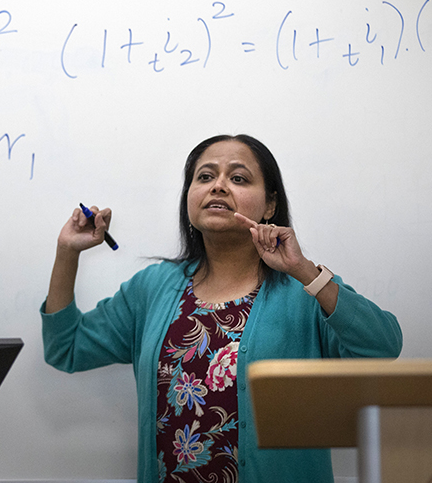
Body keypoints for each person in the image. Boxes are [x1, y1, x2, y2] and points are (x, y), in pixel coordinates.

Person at [41, 134, 403, 483]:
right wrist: (67, 252)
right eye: (205, 176)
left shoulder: (303, 291)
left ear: (270, 205)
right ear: (189, 197)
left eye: (239, 178)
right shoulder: (152, 288)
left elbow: (381, 347)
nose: (218, 186)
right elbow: (66, 349)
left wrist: (304, 270)